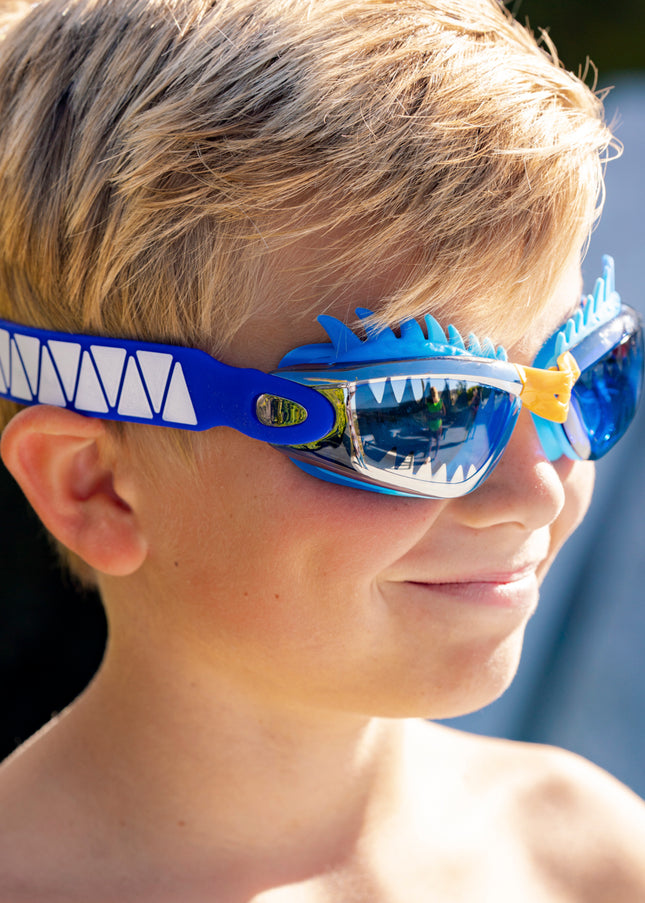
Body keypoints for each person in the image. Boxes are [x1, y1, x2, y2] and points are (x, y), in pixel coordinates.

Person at [0, 0, 644, 899]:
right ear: (97, 484)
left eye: (584, 376)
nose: (534, 489)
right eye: (418, 412)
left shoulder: (590, 857)